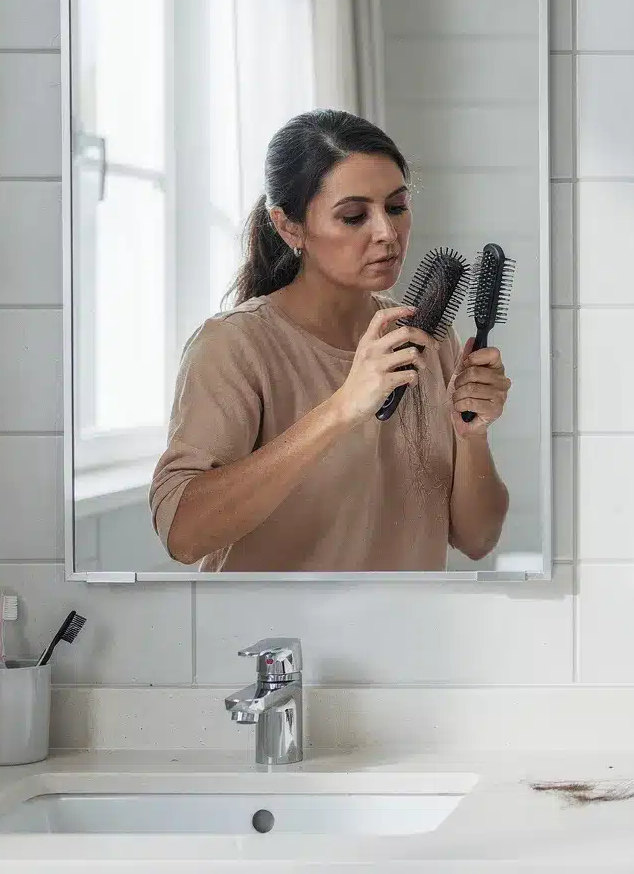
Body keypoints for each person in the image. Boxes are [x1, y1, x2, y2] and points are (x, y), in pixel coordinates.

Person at [150, 110, 512, 571]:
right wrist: (343, 407)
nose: (387, 233)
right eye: (354, 216)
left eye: (397, 207)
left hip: (406, 636)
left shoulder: (428, 338)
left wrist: (471, 433)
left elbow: (478, 539)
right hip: (267, 640)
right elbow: (183, 534)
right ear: (289, 226)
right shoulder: (233, 345)